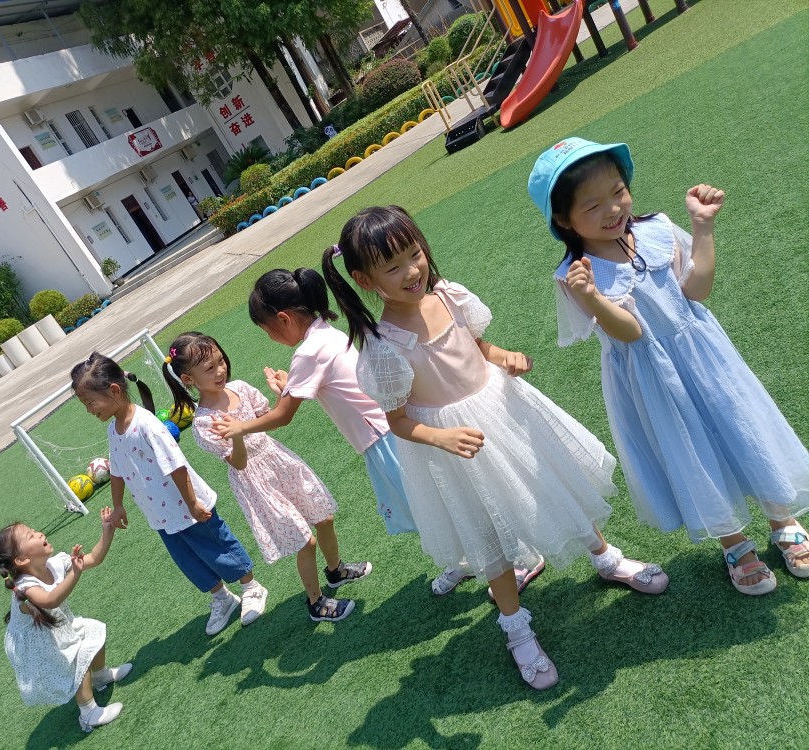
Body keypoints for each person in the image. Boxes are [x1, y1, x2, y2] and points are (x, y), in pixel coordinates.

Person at [322, 205, 668, 690]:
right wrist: (440, 436)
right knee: (491, 536)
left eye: (414, 254)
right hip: (458, 448)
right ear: (364, 279)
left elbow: (478, 347)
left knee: (552, 481)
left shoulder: (449, 295)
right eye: (393, 267)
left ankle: (605, 557)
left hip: (505, 411)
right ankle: (516, 629)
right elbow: (396, 421)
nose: (412, 271)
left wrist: (504, 357)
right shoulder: (383, 346)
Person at [529, 137, 809, 595]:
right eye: (593, 205)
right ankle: (735, 544)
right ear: (563, 220)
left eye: (618, 191)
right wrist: (591, 297)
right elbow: (630, 332)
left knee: (742, 427)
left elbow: (696, 290)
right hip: (653, 378)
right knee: (692, 450)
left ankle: (783, 519)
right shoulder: (576, 275)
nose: (613, 209)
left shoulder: (656, 228)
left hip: (705, 355)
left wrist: (702, 227)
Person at [211, 267, 544, 597]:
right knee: (431, 501)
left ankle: (519, 556)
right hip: (385, 432)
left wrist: (239, 426)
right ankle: (464, 558)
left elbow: (283, 415)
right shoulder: (326, 333)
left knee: (439, 501)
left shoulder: (308, 352)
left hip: (384, 436)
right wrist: (287, 388)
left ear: (283, 319)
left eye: (266, 329)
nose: (269, 337)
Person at [163, 331, 372, 623]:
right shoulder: (203, 423)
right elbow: (239, 463)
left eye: (220, 361)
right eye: (209, 368)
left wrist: (281, 394)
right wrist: (237, 435)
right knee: (305, 541)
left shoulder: (240, 388)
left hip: (278, 461)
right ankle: (316, 602)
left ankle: (335, 571)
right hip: (255, 481)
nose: (220, 370)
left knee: (324, 517)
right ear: (188, 379)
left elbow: (268, 421)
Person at [71, 353, 268, 636]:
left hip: (188, 505)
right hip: (161, 515)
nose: (89, 410)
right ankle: (222, 598)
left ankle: (251, 586)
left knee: (218, 546)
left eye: (90, 402)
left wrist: (192, 503)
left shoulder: (147, 424)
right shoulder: (114, 430)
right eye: (85, 405)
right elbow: (117, 470)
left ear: (114, 390)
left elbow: (175, 466)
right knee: (189, 560)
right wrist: (118, 505)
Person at [0, 508, 132, 733]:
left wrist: (107, 531)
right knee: (75, 659)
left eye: (34, 530)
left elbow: (94, 558)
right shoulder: (25, 587)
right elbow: (49, 600)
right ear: (22, 559)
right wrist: (74, 574)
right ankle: (88, 713)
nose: (39, 533)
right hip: (38, 642)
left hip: (57, 625)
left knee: (93, 631)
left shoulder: (55, 563)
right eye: (31, 536)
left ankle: (100, 676)